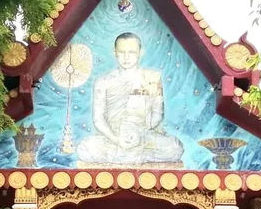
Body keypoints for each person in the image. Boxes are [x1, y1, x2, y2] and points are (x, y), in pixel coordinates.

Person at [77, 32, 183, 165]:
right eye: (122, 52)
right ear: (114, 52)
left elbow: (157, 114)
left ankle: (127, 155)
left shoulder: (152, 78)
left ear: (141, 52)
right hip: (113, 137)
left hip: (143, 135)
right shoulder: (103, 81)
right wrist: (116, 139)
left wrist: (139, 133)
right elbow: (98, 119)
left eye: (132, 52)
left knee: (175, 148)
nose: (126, 57)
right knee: (84, 148)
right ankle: (131, 155)